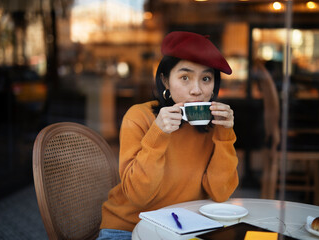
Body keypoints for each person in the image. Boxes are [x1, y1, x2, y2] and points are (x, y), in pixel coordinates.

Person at [97, 31, 239, 240]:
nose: (197, 90)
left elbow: (221, 193)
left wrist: (225, 134)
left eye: (206, 78)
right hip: (127, 228)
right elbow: (138, 196)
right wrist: (159, 133)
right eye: (185, 77)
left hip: (185, 229)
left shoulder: (213, 126)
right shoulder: (139, 117)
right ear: (165, 81)